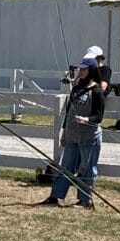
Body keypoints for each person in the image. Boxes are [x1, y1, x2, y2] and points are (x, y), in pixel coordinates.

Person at [38, 55, 105, 209]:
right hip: (72, 136)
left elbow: (99, 116)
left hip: (90, 138)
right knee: (66, 166)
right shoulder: (76, 88)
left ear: (91, 70)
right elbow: (68, 112)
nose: (80, 71)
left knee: (87, 168)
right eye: (80, 69)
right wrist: (64, 132)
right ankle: (55, 196)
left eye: (84, 69)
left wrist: (86, 119)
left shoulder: (96, 91)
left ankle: (85, 200)